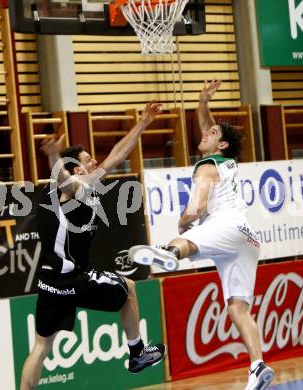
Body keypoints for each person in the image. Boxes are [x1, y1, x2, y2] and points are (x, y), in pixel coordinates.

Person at [129, 81, 275, 390]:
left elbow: (196, 207)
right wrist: (203, 103)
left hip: (226, 225)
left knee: (185, 238)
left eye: (210, 134)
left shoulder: (207, 165)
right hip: (248, 239)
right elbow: (213, 130)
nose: (203, 133)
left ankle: (170, 253)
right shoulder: (229, 161)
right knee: (238, 307)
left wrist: (183, 224)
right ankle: (258, 365)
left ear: (220, 145)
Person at [20, 101, 165, 390]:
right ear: (76, 167)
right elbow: (64, 180)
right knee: (129, 288)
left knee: (41, 346)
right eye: (88, 159)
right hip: (72, 278)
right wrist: (53, 158)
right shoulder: (74, 187)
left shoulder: (82, 185)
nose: (95, 162)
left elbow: (115, 156)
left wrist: (142, 124)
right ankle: (137, 354)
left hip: (49, 282)